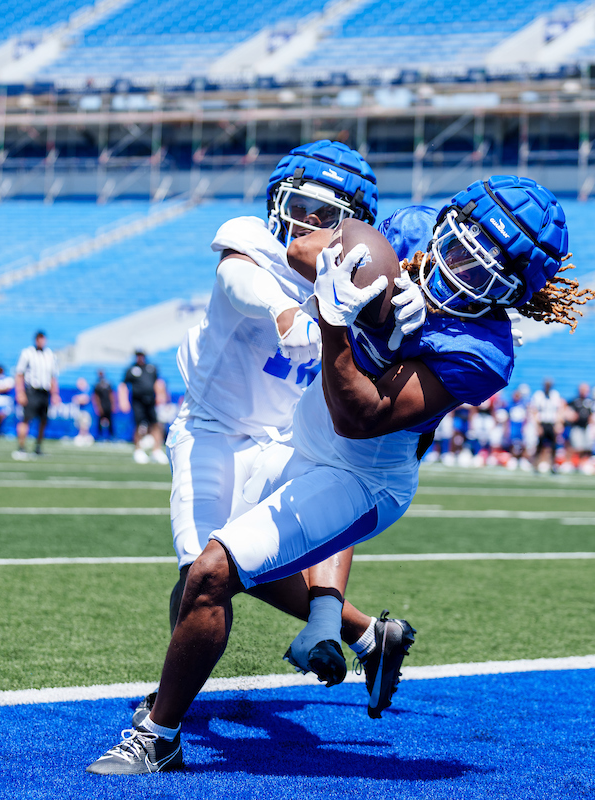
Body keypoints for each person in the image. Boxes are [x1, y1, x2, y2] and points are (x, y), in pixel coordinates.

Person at [86, 176, 594, 774]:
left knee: (213, 572)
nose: (455, 270)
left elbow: (361, 417)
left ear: (508, 294)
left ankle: (160, 733)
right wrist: (375, 281)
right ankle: (366, 636)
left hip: (360, 475)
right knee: (199, 565)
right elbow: (305, 249)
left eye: (480, 274)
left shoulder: (483, 351)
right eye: (456, 245)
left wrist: (341, 323)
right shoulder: (408, 232)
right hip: (298, 436)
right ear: (445, 222)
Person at [159, 139, 387, 666]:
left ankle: (340, 627)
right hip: (212, 427)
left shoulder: (358, 274)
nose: (305, 220)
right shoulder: (252, 239)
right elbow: (237, 277)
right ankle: (367, 635)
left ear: (348, 225)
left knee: (337, 480)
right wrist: (284, 309)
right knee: (201, 568)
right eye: (297, 205)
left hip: (285, 434)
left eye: (322, 213)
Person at [13, 330, 59, 460]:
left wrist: (55, 394)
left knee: (43, 420)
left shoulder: (50, 355)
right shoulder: (27, 353)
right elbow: (19, 373)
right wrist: (20, 392)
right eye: (39, 339)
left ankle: (38, 447)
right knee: (26, 418)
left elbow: (53, 377)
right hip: (32, 390)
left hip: (45, 391)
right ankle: (21, 447)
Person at [122, 349, 168, 465]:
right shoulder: (131, 370)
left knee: (156, 424)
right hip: (138, 401)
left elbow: (158, 382)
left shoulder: (151, 368)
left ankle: (156, 450)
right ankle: (138, 449)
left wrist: (160, 395)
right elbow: (123, 385)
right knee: (138, 425)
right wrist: (123, 401)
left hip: (151, 400)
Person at [531, 378, 562, 473]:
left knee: (553, 446)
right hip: (542, 423)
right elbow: (534, 411)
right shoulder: (538, 395)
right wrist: (537, 425)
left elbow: (559, 410)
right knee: (539, 445)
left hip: (551, 423)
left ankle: (553, 465)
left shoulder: (555, 395)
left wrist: (558, 423)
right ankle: (536, 465)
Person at [91, 370, 115, 440]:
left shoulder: (108, 383)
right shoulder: (97, 385)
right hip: (101, 405)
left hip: (108, 404)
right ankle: (99, 436)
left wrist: (113, 404)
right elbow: (96, 397)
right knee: (99, 421)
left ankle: (111, 436)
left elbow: (111, 394)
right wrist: (98, 407)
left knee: (110, 421)